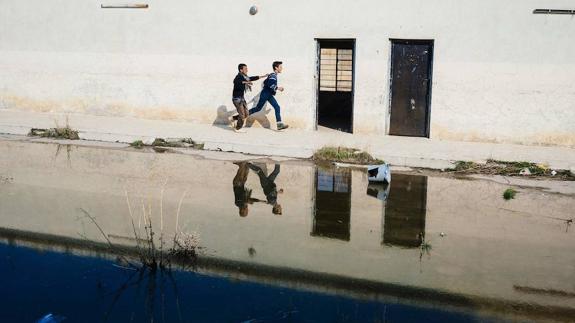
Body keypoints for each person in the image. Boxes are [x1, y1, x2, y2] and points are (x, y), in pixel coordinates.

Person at [248, 61, 289, 131]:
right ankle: (241, 115)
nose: (282, 68)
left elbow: (265, 83)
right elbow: (270, 84)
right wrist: (278, 88)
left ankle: (279, 124)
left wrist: (270, 89)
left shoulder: (272, 75)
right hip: (265, 94)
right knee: (257, 108)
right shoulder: (273, 76)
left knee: (277, 107)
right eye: (280, 67)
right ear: (276, 68)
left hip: (268, 94)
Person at [232, 64, 268, 132]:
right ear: (241, 70)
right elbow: (236, 82)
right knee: (242, 115)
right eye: (245, 69)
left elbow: (253, 78)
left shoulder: (245, 77)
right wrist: (246, 82)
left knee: (247, 113)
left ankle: (233, 118)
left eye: (247, 68)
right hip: (236, 99)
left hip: (241, 98)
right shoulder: (238, 77)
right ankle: (237, 128)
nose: (247, 70)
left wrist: (264, 76)